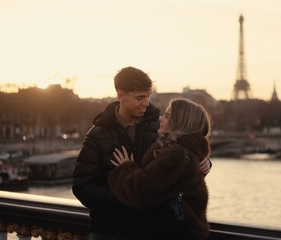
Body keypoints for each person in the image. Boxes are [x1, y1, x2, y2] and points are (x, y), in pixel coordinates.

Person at [72, 66, 211, 240]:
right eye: (140, 98)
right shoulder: (97, 136)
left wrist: (204, 163)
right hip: (111, 230)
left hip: (152, 230)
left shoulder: (161, 128)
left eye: (148, 96)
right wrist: (127, 199)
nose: (146, 103)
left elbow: (183, 158)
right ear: (121, 95)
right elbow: (81, 186)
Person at [108, 98, 211, 240]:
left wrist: (125, 168)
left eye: (167, 116)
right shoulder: (185, 152)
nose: (161, 118)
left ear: (179, 123)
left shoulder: (176, 156)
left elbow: (138, 192)